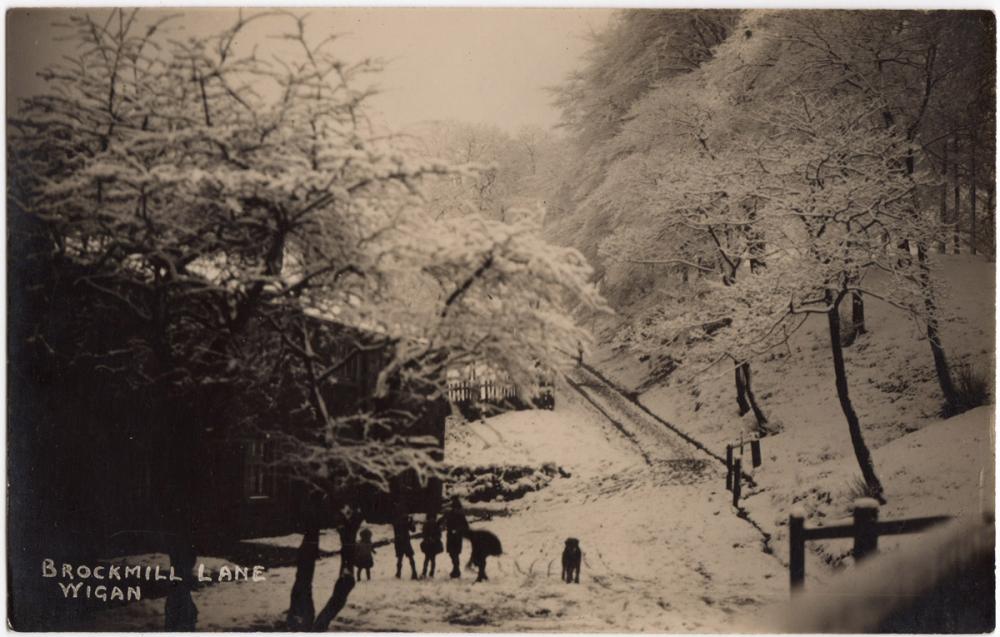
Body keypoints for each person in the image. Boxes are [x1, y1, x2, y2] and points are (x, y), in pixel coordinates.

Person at [443, 496, 469, 578]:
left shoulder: (459, 515)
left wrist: (457, 530)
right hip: (452, 537)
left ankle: (456, 570)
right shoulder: (452, 514)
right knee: (453, 554)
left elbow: (465, 526)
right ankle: (455, 569)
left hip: (455, 537)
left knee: (454, 554)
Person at [392, 502, 418, 580]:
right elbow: (413, 530)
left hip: (399, 541)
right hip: (405, 540)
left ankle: (398, 573)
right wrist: (411, 521)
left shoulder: (396, 520)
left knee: (400, 558)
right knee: (410, 557)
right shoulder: (405, 520)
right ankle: (414, 572)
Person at [419, 513, 444, 578]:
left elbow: (438, 535)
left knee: (429, 559)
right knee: (430, 559)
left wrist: (432, 539)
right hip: (430, 544)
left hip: (431, 544)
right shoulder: (433, 525)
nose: (432, 519)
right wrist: (430, 539)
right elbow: (424, 534)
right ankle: (429, 572)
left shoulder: (429, 525)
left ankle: (427, 572)